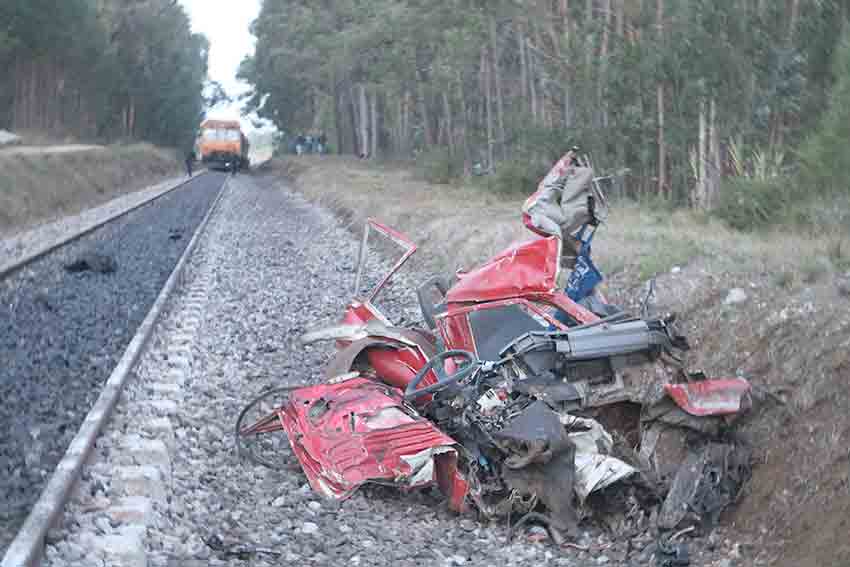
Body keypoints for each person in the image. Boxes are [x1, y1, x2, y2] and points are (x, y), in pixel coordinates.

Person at [522, 147, 600, 270]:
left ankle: (568, 261)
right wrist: (570, 155)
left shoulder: (559, 184)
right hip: (534, 211)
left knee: (563, 230)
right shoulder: (554, 181)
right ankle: (548, 267)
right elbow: (560, 168)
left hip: (539, 209)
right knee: (558, 235)